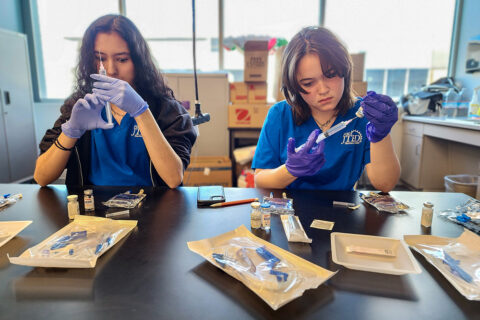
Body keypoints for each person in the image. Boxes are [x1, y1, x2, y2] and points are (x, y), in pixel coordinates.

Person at [34, 15, 196, 188]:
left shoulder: (167, 110)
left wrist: (141, 112)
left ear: (139, 61)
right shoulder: (80, 106)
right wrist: (71, 131)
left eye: (122, 59)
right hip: (92, 211)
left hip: (151, 208)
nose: (110, 70)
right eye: (100, 58)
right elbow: (41, 177)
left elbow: (173, 179)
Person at [252, 26, 400, 192]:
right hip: (288, 212)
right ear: (294, 86)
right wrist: (290, 170)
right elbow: (260, 181)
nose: (323, 90)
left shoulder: (363, 115)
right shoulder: (280, 115)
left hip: (343, 213)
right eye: (308, 83)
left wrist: (381, 134)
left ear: (345, 70)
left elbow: (385, 184)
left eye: (330, 75)